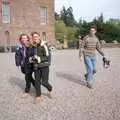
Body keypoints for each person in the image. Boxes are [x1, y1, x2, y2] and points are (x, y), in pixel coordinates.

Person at [30, 32, 52, 104]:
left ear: (39, 37)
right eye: (33, 37)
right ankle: (38, 96)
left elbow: (48, 56)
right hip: (36, 66)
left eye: (36, 36)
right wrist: (31, 59)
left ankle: (50, 89)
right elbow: (31, 55)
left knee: (44, 82)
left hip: (44, 66)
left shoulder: (44, 45)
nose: (35, 38)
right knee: (37, 82)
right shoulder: (32, 46)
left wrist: (40, 59)